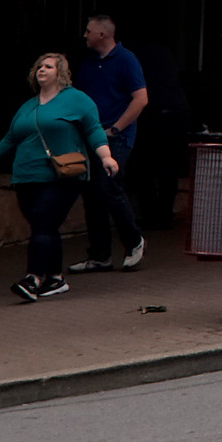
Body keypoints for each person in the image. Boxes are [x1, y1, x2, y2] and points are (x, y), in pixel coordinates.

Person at [0, 52, 114, 302]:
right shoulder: (28, 106)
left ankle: (32, 278)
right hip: (26, 175)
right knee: (44, 226)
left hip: (61, 175)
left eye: (48, 66)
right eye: (39, 67)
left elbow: (93, 129)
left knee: (43, 222)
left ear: (60, 73)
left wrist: (106, 157)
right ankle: (55, 279)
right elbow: (11, 138)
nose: (41, 70)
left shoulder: (77, 100)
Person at [72, 15, 149, 270]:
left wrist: (116, 129)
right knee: (91, 193)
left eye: (89, 31)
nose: (85, 35)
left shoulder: (126, 60)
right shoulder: (89, 64)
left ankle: (134, 240)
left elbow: (140, 99)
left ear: (102, 35)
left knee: (107, 187)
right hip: (91, 136)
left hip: (116, 136)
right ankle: (100, 255)